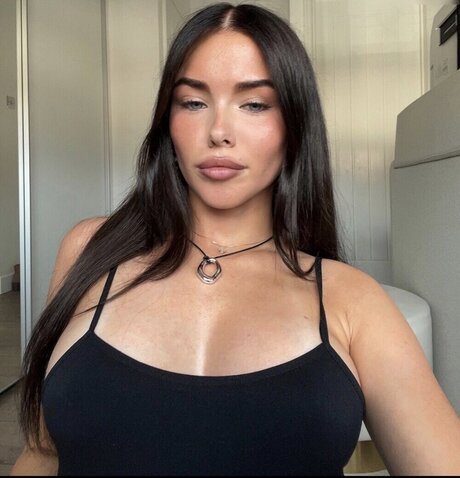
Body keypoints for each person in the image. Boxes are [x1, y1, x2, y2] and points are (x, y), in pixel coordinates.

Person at [11, 2, 460, 476]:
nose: (218, 132)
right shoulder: (91, 250)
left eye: (254, 104)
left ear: (294, 125)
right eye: (193, 102)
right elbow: (41, 453)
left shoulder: (352, 300)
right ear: (167, 121)